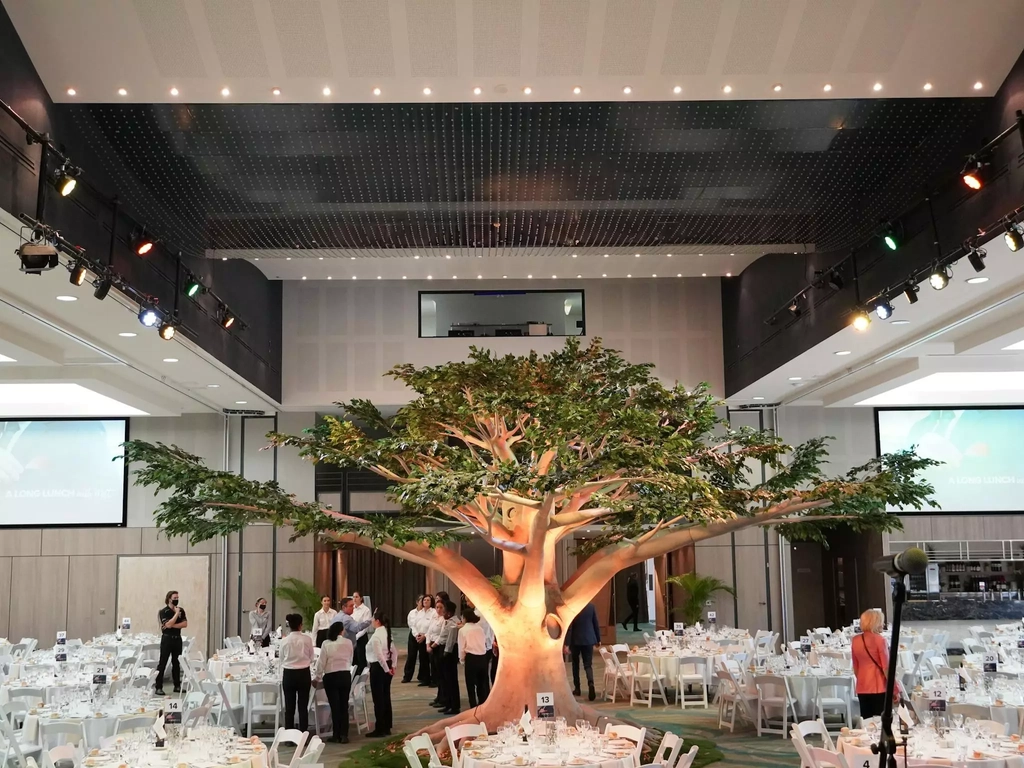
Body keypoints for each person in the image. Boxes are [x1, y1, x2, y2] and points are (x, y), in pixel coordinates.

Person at [314, 621, 353, 743]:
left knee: (335, 706)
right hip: (345, 675)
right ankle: (344, 734)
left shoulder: (326, 643)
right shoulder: (348, 642)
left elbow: (321, 662)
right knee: (344, 705)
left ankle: (336, 734)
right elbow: (350, 658)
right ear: (341, 630)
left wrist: (317, 677)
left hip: (331, 676)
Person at [851, 608, 890, 718]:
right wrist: (894, 687)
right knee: (880, 719)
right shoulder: (880, 640)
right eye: (881, 622)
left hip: (862, 686)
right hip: (878, 686)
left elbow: (856, 666)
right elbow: (886, 667)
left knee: (866, 719)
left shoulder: (855, 640)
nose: (883, 624)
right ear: (875, 623)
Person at [280, 613, 314, 732]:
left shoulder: (284, 641)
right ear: (301, 625)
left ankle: (289, 736)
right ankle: (303, 733)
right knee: (303, 706)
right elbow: (311, 657)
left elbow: (281, 658)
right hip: (304, 673)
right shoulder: (307, 639)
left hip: (289, 674)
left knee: (289, 707)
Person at [366, 613, 398, 737]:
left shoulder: (376, 636)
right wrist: (393, 666)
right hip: (387, 665)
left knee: (378, 699)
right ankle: (386, 726)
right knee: (385, 697)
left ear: (377, 621)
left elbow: (379, 656)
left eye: (373, 620)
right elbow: (394, 651)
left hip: (379, 668)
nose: (372, 622)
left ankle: (380, 728)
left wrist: (386, 669)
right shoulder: (386, 632)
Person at [565, 601, 601, 701]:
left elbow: (570, 627)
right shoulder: (591, 606)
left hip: (575, 640)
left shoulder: (573, 607)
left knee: (575, 665)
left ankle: (577, 688)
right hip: (589, 639)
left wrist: (567, 644)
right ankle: (591, 683)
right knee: (588, 665)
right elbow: (595, 623)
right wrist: (598, 639)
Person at [155, 590, 187, 696]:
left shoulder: (181, 610)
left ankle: (177, 685)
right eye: (175, 598)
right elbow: (166, 624)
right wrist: (176, 614)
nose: (177, 600)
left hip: (177, 638)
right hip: (167, 639)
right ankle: (158, 686)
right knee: (162, 663)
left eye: (178, 598)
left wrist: (171, 624)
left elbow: (184, 624)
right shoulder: (164, 611)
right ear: (169, 599)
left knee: (176, 663)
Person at [458, 609, 490, 707]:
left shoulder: (462, 630)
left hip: (471, 658)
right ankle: (483, 705)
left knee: (470, 685)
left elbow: (462, 647)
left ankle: (473, 706)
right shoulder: (479, 628)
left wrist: (462, 660)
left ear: (465, 618)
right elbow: (484, 642)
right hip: (482, 657)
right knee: (482, 685)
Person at [439, 600, 461, 715]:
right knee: (446, 680)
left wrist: (445, 653)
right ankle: (448, 703)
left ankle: (454, 705)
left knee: (451, 680)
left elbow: (450, 641)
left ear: (449, 612)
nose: (442, 612)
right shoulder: (447, 621)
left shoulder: (453, 623)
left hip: (449, 653)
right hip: (444, 650)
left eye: (444, 610)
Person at [426, 601, 447, 707]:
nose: (438, 609)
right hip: (431, 647)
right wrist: (427, 645)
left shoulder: (444, 620)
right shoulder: (434, 618)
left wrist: (433, 645)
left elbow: (442, 634)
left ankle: (443, 697)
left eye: (441, 607)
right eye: (437, 607)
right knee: (435, 672)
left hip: (438, 647)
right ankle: (439, 697)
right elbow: (429, 631)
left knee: (441, 673)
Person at [402, 595, 425, 683]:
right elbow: (411, 625)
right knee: (411, 656)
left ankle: (422, 677)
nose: (422, 603)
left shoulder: (426, 613)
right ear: (417, 602)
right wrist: (416, 635)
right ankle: (407, 676)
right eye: (421, 601)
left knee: (423, 657)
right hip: (413, 635)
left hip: (423, 636)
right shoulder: (412, 613)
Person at [351, 592, 373, 676]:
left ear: (361, 598)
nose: (355, 599)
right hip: (352, 636)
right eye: (353, 597)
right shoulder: (352, 608)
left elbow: (365, 626)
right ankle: (353, 677)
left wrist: (356, 636)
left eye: (356, 597)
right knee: (353, 658)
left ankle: (362, 679)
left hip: (361, 637)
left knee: (361, 658)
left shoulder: (366, 610)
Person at [416, 595, 435, 686]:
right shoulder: (420, 612)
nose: (426, 601)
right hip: (420, 638)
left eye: (428, 600)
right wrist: (417, 635)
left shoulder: (433, 612)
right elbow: (416, 625)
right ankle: (425, 679)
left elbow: (432, 626)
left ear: (431, 602)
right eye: (424, 600)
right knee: (422, 659)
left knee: (431, 660)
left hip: (429, 638)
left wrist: (425, 636)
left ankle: (434, 679)